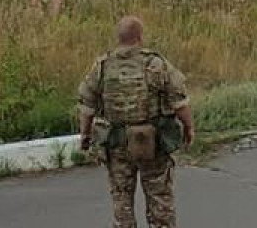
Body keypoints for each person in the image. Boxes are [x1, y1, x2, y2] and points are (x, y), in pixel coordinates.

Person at [77, 16, 195, 228]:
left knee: (122, 197)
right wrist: (188, 128)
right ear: (140, 37)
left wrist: (85, 136)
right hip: (153, 143)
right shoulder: (155, 64)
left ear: (119, 38)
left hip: (117, 144)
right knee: (159, 197)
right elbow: (179, 102)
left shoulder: (102, 66)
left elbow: (87, 106)